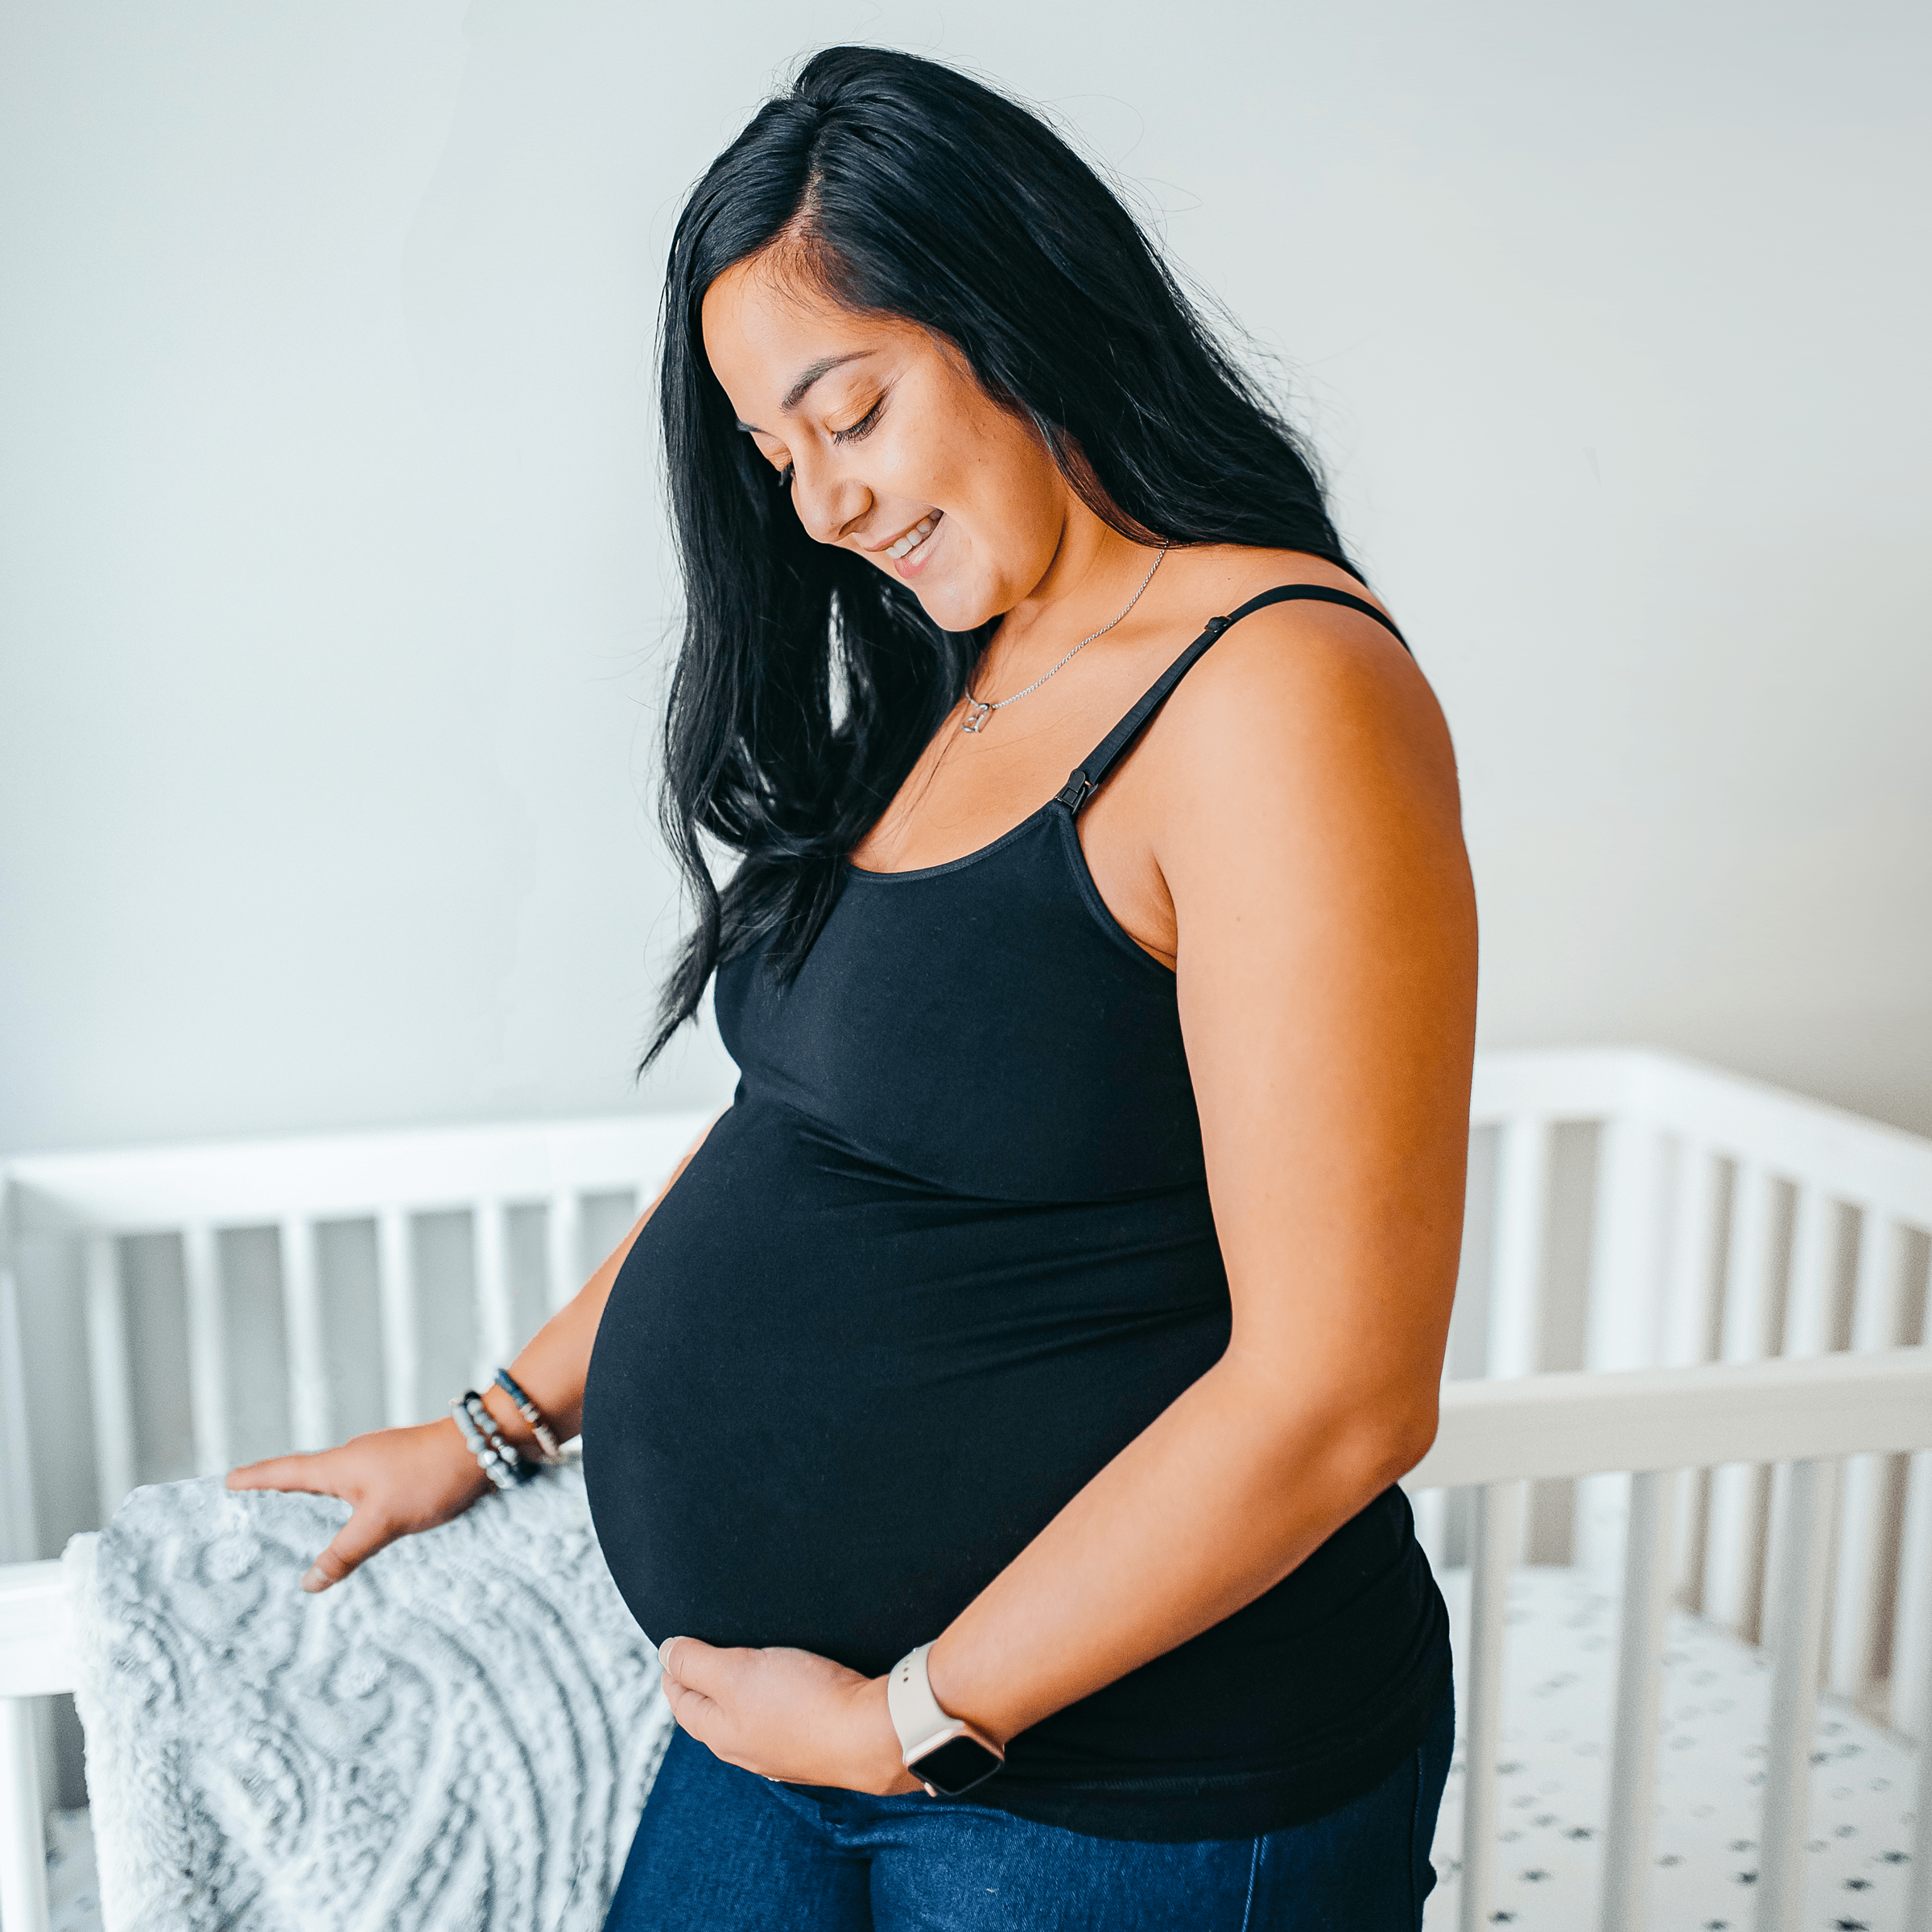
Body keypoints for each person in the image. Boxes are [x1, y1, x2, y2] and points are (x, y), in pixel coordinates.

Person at [230, 44, 1477, 1931]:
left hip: (1114, 1791)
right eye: (773, 452)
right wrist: (494, 1425)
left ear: (1015, 311)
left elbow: (1339, 1395)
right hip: (788, 1747)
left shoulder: (1272, 695)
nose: (819, 504)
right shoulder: (957, 671)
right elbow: (809, 1141)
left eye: (853, 412)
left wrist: (915, 1719)